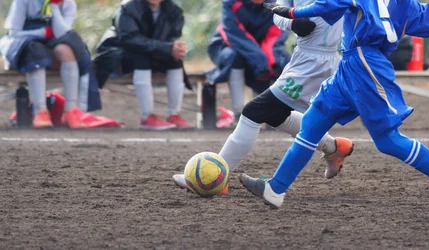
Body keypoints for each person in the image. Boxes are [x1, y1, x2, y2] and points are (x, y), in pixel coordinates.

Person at [239, 0, 429, 213]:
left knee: (387, 140)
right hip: (351, 64)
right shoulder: (404, 3)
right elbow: (425, 21)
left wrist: (291, 12)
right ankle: (275, 188)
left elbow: (327, 5)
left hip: (365, 64)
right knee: (313, 121)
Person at [172, 0, 353, 191]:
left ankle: (217, 175)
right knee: (275, 114)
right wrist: (292, 22)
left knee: (254, 111)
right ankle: (333, 147)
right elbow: (278, 13)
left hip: (318, 64)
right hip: (302, 58)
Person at [94, 0, 191, 130]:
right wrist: (166, 48)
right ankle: (147, 117)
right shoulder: (128, 8)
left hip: (153, 53)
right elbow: (130, 40)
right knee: (141, 57)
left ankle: (174, 114)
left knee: (175, 60)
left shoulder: (174, 10)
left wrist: (176, 48)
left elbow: (172, 38)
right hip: (119, 56)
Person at [1, 0, 93, 128]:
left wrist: (54, 7)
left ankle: (70, 111)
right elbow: (14, 33)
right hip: (24, 45)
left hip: (52, 45)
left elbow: (64, 34)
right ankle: (40, 111)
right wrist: (42, 33)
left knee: (66, 50)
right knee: (37, 52)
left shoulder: (68, 3)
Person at [201, 0, 291, 129]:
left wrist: (268, 62)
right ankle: (238, 114)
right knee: (236, 58)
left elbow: (275, 37)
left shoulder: (275, 4)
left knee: (279, 64)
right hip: (226, 46)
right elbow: (235, 35)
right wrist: (260, 61)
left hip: (260, 50)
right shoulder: (231, 3)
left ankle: (274, 115)